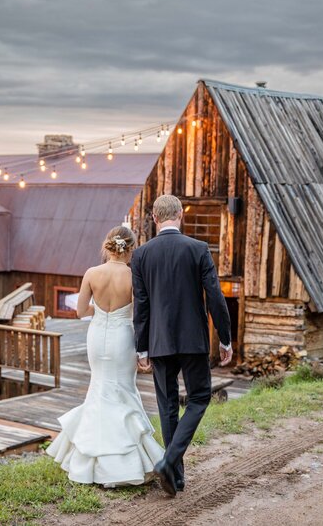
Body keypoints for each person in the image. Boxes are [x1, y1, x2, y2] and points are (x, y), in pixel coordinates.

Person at [47, 226, 164, 487]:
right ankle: (125, 463)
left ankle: (91, 461)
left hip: (97, 337)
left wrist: (101, 312)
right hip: (123, 337)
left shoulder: (92, 273)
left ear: (108, 246)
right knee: (123, 390)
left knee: (98, 388)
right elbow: (139, 316)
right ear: (131, 248)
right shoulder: (134, 276)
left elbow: (80, 312)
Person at [131, 194, 232, 496]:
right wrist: (225, 339)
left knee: (167, 406)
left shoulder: (141, 255)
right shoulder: (198, 249)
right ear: (180, 215)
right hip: (193, 341)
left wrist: (141, 347)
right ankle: (170, 464)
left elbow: (142, 305)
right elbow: (215, 297)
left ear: (155, 218)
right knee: (200, 398)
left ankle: (174, 474)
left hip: (159, 342)